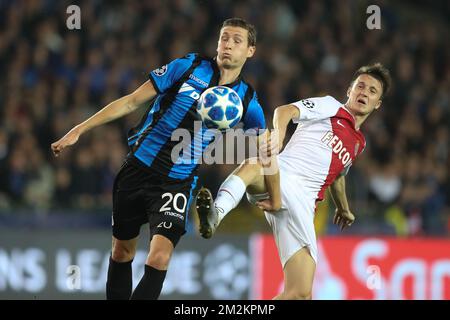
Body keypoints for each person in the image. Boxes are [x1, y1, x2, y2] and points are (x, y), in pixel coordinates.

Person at [51, 17, 266, 300]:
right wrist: (80, 129)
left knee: (159, 258)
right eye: (224, 38)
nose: (228, 45)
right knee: (122, 251)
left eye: (237, 41)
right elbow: (131, 100)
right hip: (137, 168)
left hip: (176, 182)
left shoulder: (246, 99)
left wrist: (269, 189)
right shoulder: (188, 67)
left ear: (250, 51)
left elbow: (265, 147)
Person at [195, 63, 392, 299]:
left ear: (377, 103)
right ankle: (215, 214)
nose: (364, 93)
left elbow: (338, 174)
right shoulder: (330, 106)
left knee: (300, 293)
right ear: (350, 90)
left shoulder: (359, 143)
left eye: (372, 91)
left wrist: (343, 208)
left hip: (304, 204)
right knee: (256, 163)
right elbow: (284, 111)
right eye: (360, 86)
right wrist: (277, 136)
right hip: (283, 175)